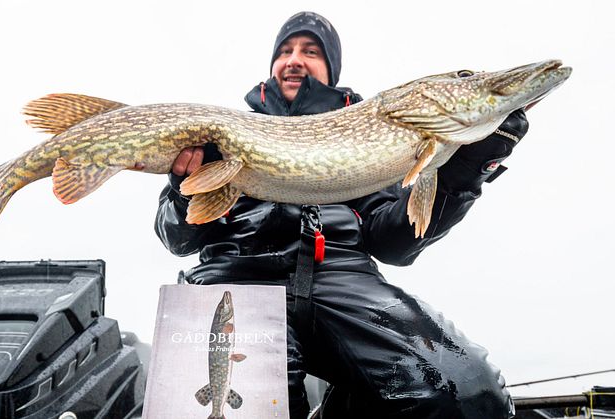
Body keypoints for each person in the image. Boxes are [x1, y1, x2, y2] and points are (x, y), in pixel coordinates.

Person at [155, 11, 528, 419]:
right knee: (242, 408)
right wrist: (182, 187)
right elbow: (177, 239)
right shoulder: (221, 131)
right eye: (285, 51)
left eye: (310, 51)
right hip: (234, 278)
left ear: (330, 69)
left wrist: (465, 169)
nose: (294, 59)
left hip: (342, 278)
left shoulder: (384, 134)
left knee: (471, 395)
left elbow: (395, 245)